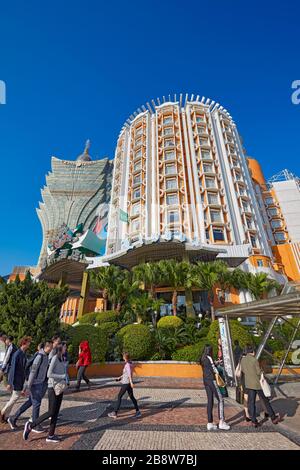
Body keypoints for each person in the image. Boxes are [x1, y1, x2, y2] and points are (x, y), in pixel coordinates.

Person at [23, 343, 68, 443]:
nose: (66, 348)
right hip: (52, 388)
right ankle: (31, 425)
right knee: (51, 412)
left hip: (59, 388)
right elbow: (49, 374)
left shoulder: (62, 358)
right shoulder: (55, 358)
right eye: (65, 347)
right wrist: (62, 376)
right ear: (60, 348)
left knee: (55, 413)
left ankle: (51, 435)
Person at [8, 341, 53, 430]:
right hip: (35, 384)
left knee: (30, 402)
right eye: (50, 347)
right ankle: (35, 425)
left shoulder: (45, 356)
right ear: (47, 347)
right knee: (37, 404)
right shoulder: (39, 356)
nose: (51, 349)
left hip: (38, 383)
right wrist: (28, 386)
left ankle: (13, 418)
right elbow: (33, 372)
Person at [240, 344, 280, 427]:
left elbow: (243, 370)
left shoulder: (243, 360)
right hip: (257, 384)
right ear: (252, 351)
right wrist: (261, 372)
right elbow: (258, 372)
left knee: (251, 403)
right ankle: (273, 417)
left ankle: (254, 421)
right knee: (265, 401)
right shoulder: (254, 360)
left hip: (249, 384)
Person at [0, 336, 32, 423]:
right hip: (16, 380)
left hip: (19, 380)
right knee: (15, 398)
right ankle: (3, 412)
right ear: (24, 343)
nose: (29, 344)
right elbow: (12, 369)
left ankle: (5, 415)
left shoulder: (22, 353)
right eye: (28, 342)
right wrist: (10, 382)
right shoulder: (17, 354)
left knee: (14, 398)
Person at [200, 344, 230, 431]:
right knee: (221, 400)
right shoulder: (209, 357)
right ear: (210, 351)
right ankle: (221, 422)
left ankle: (210, 423)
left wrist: (215, 363)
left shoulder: (203, 358)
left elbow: (209, 366)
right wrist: (217, 365)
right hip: (212, 380)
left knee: (210, 401)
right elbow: (214, 370)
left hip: (205, 380)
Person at [108, 352, 141, 419]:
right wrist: (120, 377)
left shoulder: (127, 365)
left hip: (126, 383)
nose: (123, 358)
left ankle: (115, 412)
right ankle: (138, 412)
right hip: (127, 382)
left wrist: (131, 382)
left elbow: (129, 374)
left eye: (123, 357)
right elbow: (126, 373)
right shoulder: (130, 363)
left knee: (119, 396)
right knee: (132, 397)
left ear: (125, 358)